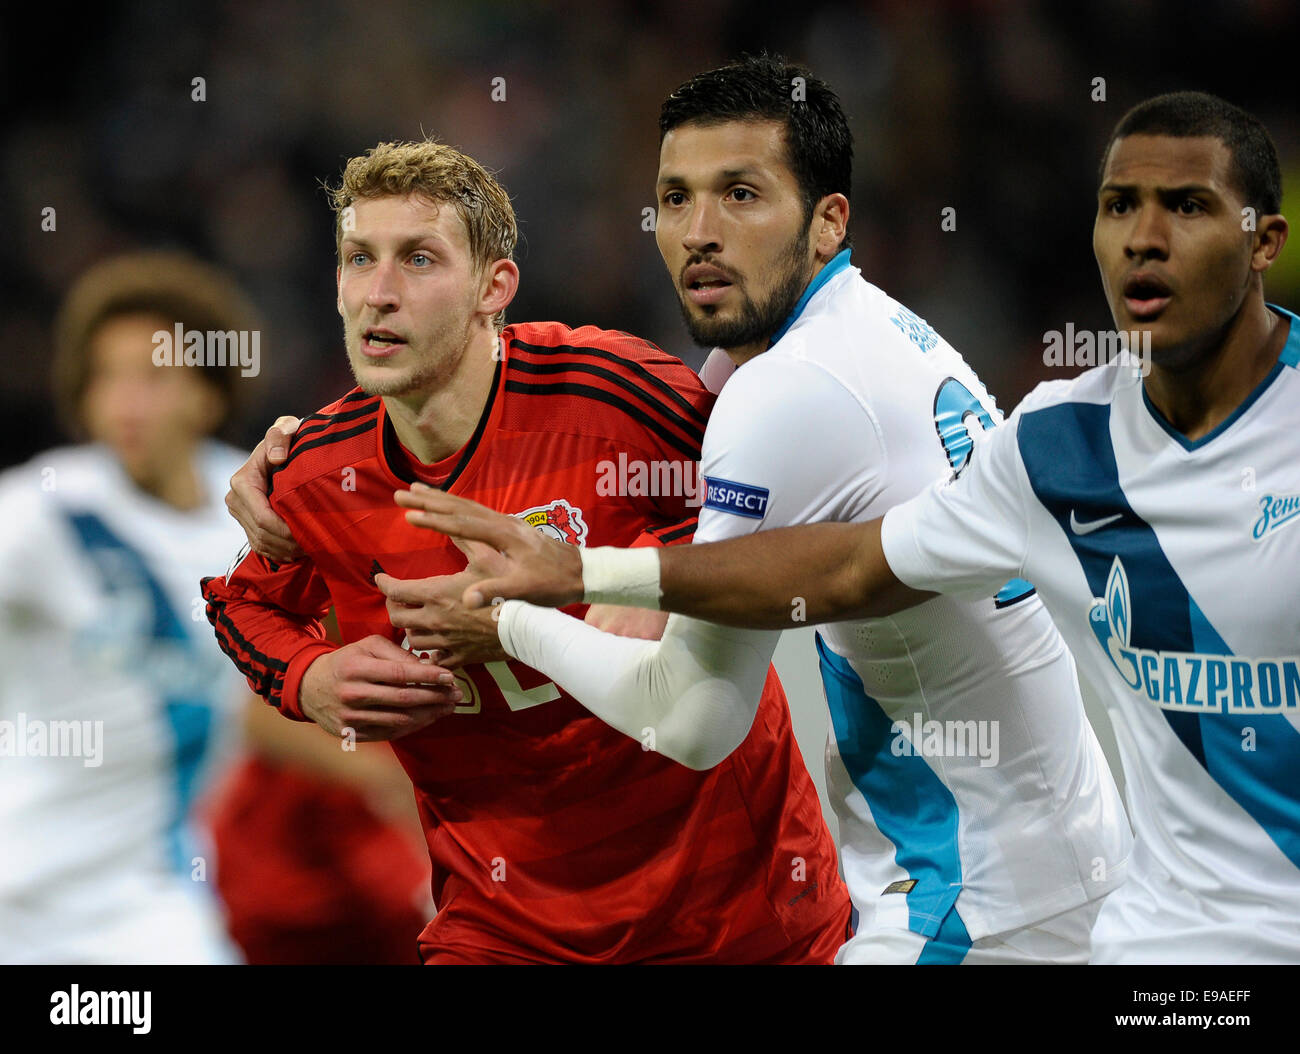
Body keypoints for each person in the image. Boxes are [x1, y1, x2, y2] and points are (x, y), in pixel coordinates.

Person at [410, 90, 1299, 964]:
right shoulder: (861, 332)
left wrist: (515, 620)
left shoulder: (794, 390)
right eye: (676, 198)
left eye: (742, 194)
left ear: (830, 221)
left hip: (970, 903)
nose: (700, 230)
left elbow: (689, 718)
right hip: (1046, 867)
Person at [204, 138, 850, 964]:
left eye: (419, 260)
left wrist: (654, 571)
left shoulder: (609, 392)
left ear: (493, 288)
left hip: (733, 909)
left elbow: (770, 500)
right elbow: (238, 601)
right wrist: (309, 677)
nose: (380, 294)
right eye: (359, 259)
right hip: (503, 926)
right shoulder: (319, 473)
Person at [0, 252, 256, 963]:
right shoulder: (44, 513)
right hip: (17, 901)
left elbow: (267, 699)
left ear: (208, 392)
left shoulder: (255, 524)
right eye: (107, 376)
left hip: (150, 902)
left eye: (152, 375)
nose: (125, 401)